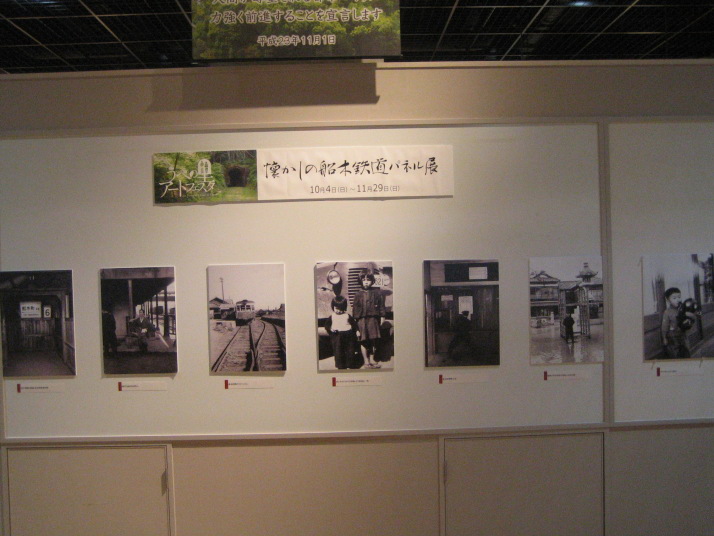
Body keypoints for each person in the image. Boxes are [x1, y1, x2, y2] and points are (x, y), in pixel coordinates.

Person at [352, 271, 386, 369]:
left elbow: (381, 305)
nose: (366, 282)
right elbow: (355, 309)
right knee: (363, 341)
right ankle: (366, 361)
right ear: (361, 281)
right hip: (361, 320)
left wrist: (382, 316)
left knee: (373, 340)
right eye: (364, 280)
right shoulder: (358, 294)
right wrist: (356, 323)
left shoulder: (376, 293)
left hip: (373, 319)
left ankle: (372, 360)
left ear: (372, 281)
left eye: (368, 280)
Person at [324, 295, 360, 370]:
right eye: (337, 308)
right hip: (337, 336)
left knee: (350, 351)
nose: (339, 311)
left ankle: (350, 365)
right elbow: (327, 325)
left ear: (344, 308)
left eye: (341, 309)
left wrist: (357, 331)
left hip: (348, 335)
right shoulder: (332, 316)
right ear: (333, 307)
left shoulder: (347, 316)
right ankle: (340, 366)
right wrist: (330, 329)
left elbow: (354, 324)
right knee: (338, 352)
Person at [661, 287, 692, 359]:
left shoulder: (683, 309)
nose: (678, 299)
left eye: (679, 297)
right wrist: (664, 338)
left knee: (686, 351)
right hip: (673, 336)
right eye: (674, 298)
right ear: (668, 300)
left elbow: (688, 319)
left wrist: (688, 320)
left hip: (683, 334)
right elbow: (664, 326)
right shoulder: (667, 312)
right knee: (675, 353)